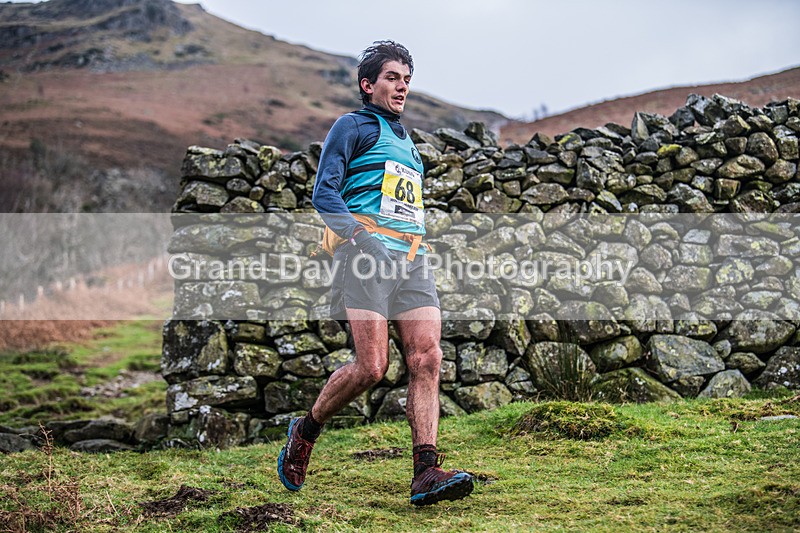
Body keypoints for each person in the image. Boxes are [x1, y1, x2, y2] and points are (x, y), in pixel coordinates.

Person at [277, 40, 474, 506]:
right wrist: (361, 238)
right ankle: (305, 431)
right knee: (372, 368)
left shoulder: (409, 145)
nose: (402, 87)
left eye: (407, 79)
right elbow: (324, 194)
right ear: (368, 84)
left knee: (427, 358)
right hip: (365, 257)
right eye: (392, 78)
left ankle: (426, 472)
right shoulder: (352, 126)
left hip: (412, 260)